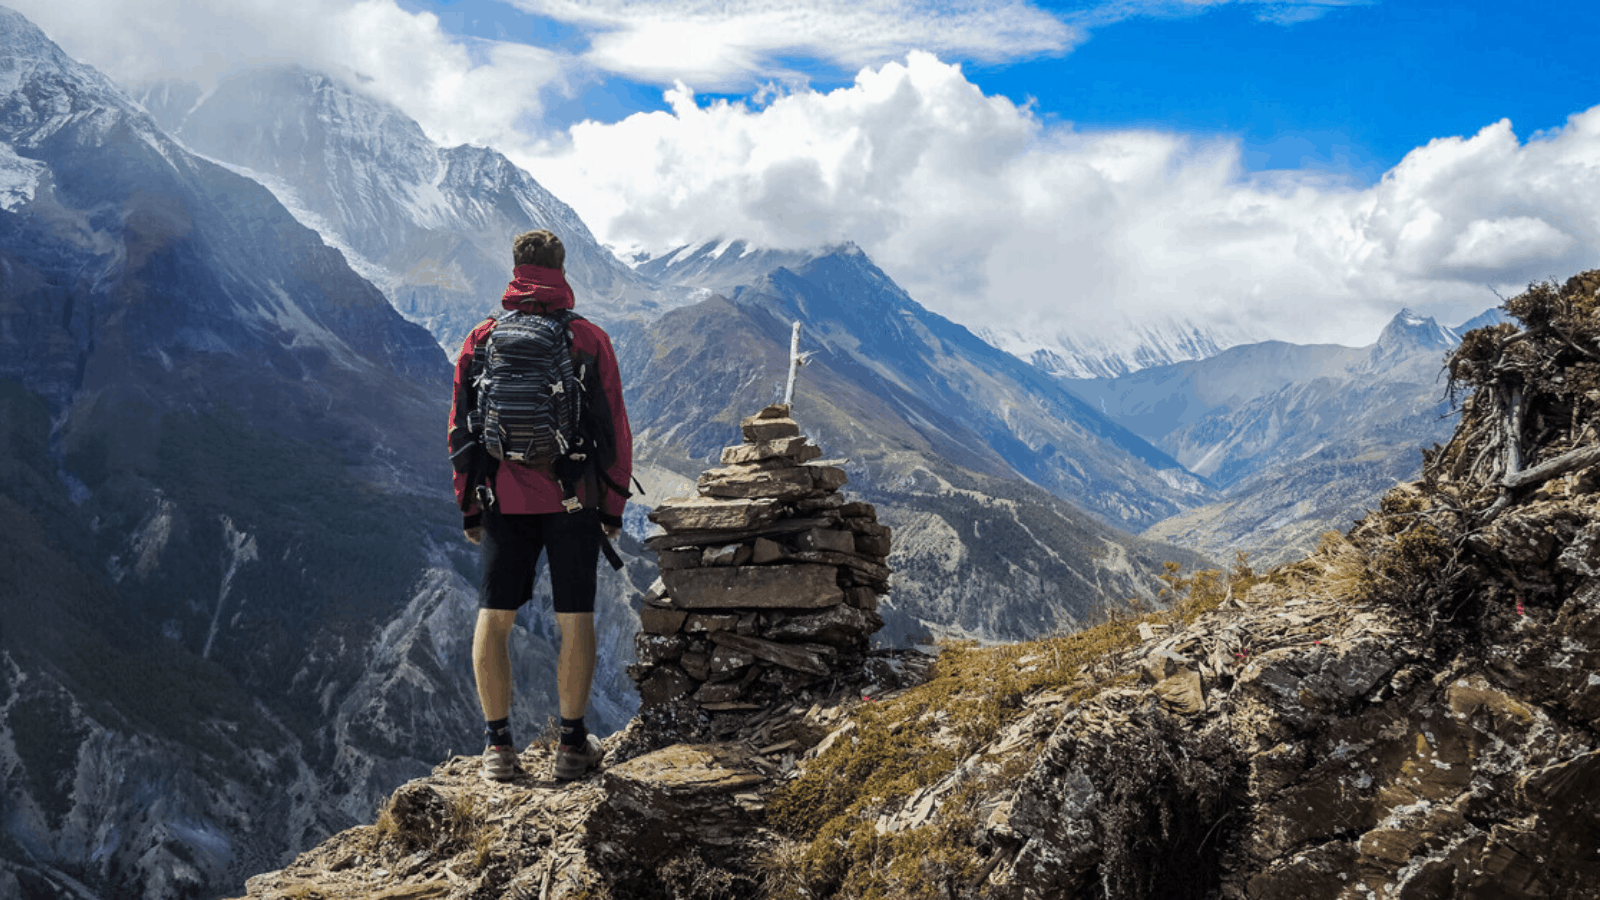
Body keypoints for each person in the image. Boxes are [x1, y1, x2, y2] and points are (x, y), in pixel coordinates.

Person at [448, 229, 633, 782]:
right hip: (573, 498)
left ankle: (498, 748)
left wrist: (469, 506)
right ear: (562, 270)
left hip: (502, 497)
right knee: (576, 619)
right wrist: (613, 506)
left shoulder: (481, 339)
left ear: (514, 270)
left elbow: (461, 430)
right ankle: (572, 745)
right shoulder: (589, 339)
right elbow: (615, 430)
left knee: (495, 617)